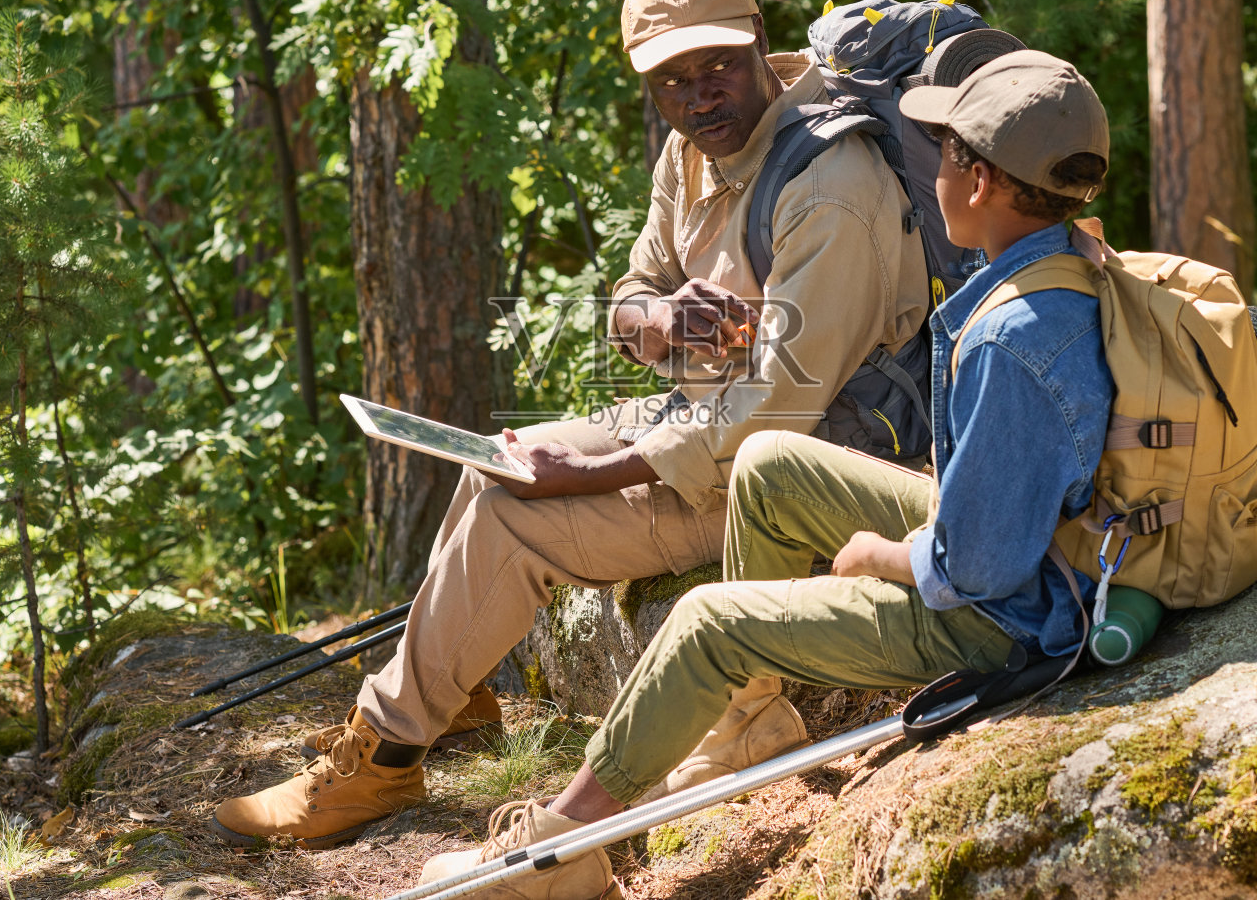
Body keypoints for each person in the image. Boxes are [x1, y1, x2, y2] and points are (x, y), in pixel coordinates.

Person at [210, 0, 931, 849]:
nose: (700, 95)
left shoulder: (830, 187)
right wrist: (661, 320)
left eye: (718, 66)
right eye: (673, 79)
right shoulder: (693, 153)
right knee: (494, 466)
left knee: (518, 517)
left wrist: (586, 471)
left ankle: (383, 760)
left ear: (758, 37)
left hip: (803, 471)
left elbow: (772, 421)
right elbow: (629, 299)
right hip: (706, 423)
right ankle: (458, 698)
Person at [414, 50, 1115, 899]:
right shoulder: (1063, 267)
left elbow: (981, 566)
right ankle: (744, 726)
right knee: (769, 459)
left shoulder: (1010, 337)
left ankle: (555, 856)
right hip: (1044, 557)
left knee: (711, 619)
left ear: (978, 181)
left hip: (1012, 617)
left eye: (944, 150)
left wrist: (881, 555)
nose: (928, 167)